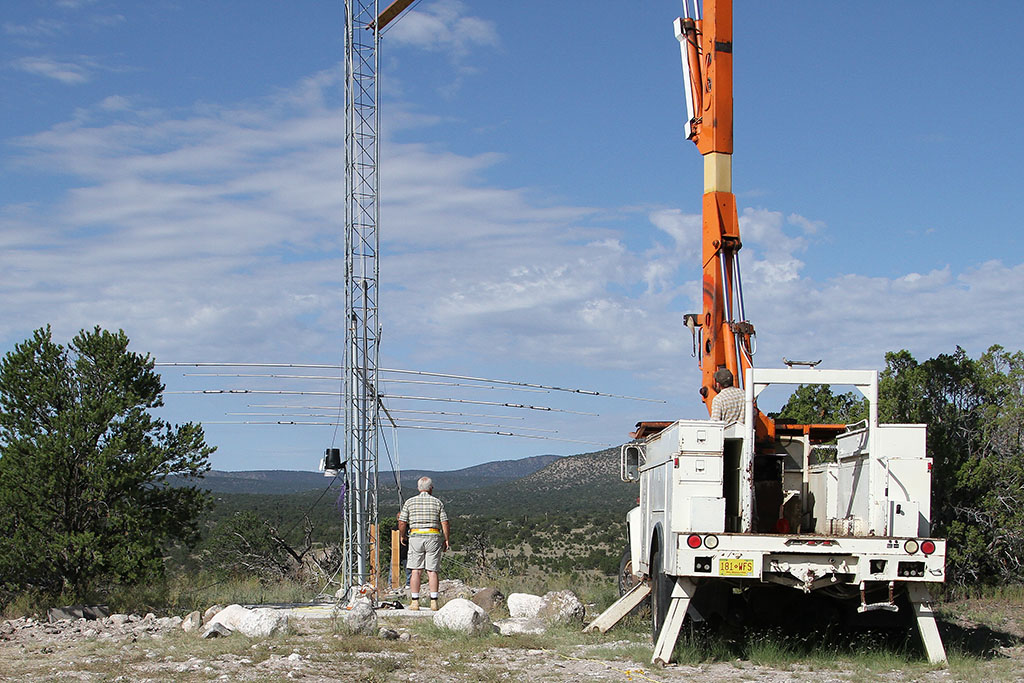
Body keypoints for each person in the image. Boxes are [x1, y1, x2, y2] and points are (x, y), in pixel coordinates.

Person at [397, 476, 451, 611]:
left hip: (416, 535)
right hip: (433, 535)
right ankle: (434, 602)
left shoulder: (410, 502)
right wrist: (446, 539)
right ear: (431, 488)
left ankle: (415, 602)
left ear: (418, 488)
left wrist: (402, 536)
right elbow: (444, 522)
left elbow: (402, 521)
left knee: (416, 570)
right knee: (432, 571)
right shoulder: (437, 502)